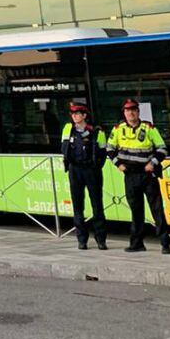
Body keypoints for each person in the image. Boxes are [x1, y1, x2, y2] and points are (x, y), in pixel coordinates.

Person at [107, 99, 170, 254]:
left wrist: (153, 163)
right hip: (130, 174)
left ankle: (165, 244)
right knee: (136, 210)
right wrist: (118, 164)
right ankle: (137, 243)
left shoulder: (148, 128)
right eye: (127, 110)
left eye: (133, 110)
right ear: (124, 113)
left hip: (147, 174)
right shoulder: (118, 129)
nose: (131, 113)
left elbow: (162, 149)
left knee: (156, 209)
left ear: (138, 112)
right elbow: (109, 149)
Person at [60, 102, 107, 251]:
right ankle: (82, 240)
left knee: (97, 205)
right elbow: (64, 148)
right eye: (72, 114)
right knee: (77, 206)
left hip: (91, 170)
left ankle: (101, 239)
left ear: (84, 115)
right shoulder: (68, 129)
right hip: (75, 170)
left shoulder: (97, 131)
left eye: (77, 114)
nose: (74, 116)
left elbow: (103, 152)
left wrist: (96, 166)